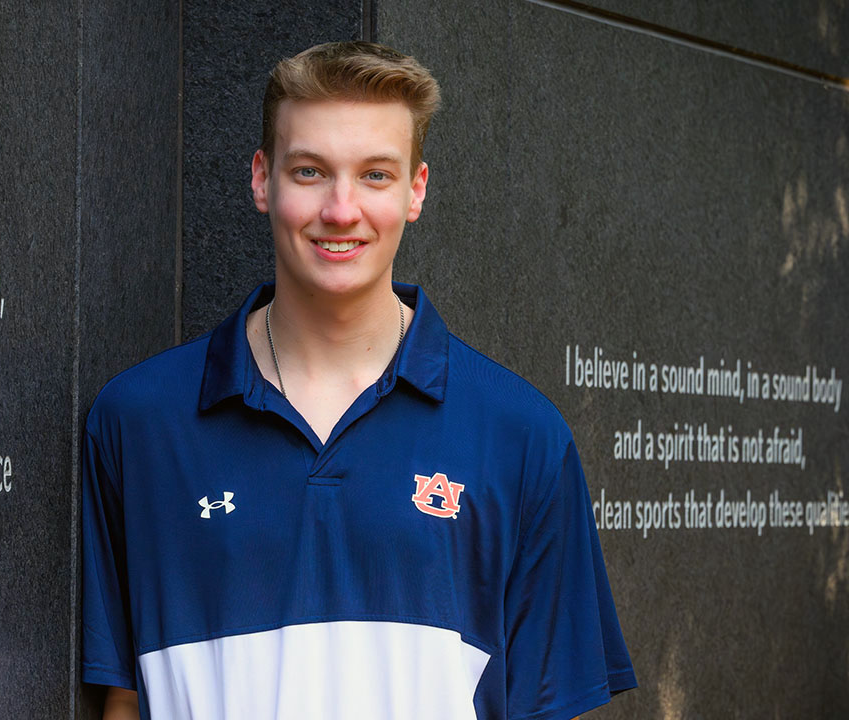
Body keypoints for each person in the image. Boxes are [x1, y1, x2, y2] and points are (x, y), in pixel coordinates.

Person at [82, 40, 635, 720]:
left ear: (416, 191)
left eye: (375, 175)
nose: (342, 210)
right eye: (311, 171)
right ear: (262, 180)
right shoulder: (138, 422)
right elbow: (122, 701)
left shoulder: (522, 437)